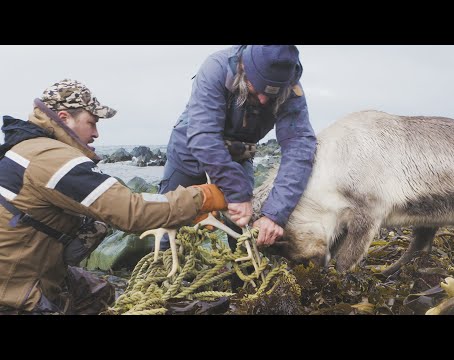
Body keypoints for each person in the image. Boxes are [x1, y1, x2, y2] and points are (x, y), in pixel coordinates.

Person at [0, 79, 227, 315]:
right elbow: (131, 211)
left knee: (97, 291)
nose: (96, 133)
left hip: (29, 270)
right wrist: (202, 197)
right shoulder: (52, 159)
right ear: (64, 117)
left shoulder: (26, 149)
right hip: (13, 291)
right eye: (92, 122)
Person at [159, 45, 316, 248]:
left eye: (272, 95)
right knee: (169, 224)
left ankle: (242, 278)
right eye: (257, 89)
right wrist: (236, 192)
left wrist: (275, 214)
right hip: (189, 154)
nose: (263, 99)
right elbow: (204, 136)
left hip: (239, 155)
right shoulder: (215, 67)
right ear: (243, 67)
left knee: (245, 234)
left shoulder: (290, 87)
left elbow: (299, 147)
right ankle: (161, 274)